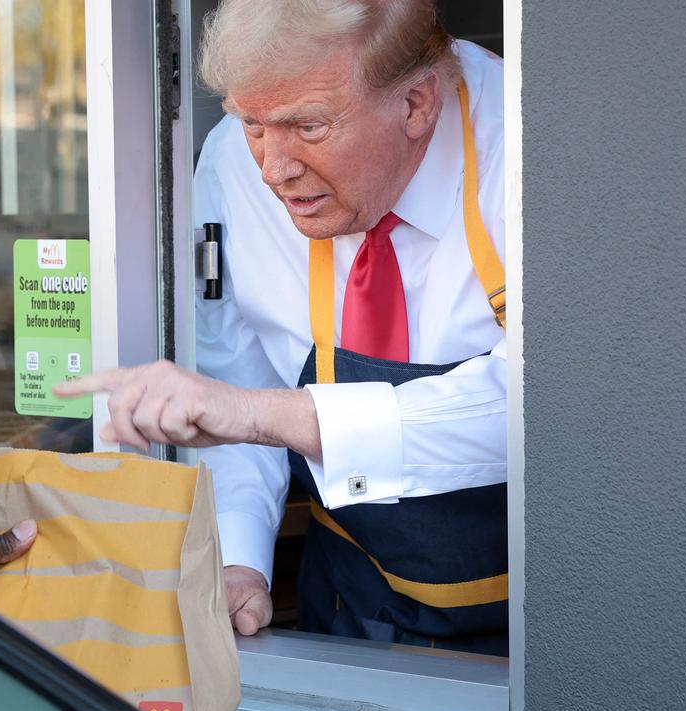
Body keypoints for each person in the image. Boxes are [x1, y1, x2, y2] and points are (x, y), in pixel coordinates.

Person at [55, 0, 508, 654]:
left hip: (543, 627)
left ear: (417, 104)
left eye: (308, 127)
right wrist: (240, 560)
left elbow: (540, 408)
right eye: (252, 124)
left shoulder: (528, 149)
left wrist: (266, 414)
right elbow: (240, 382)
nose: (273, 168)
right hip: (353, 609)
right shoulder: (233, 168)